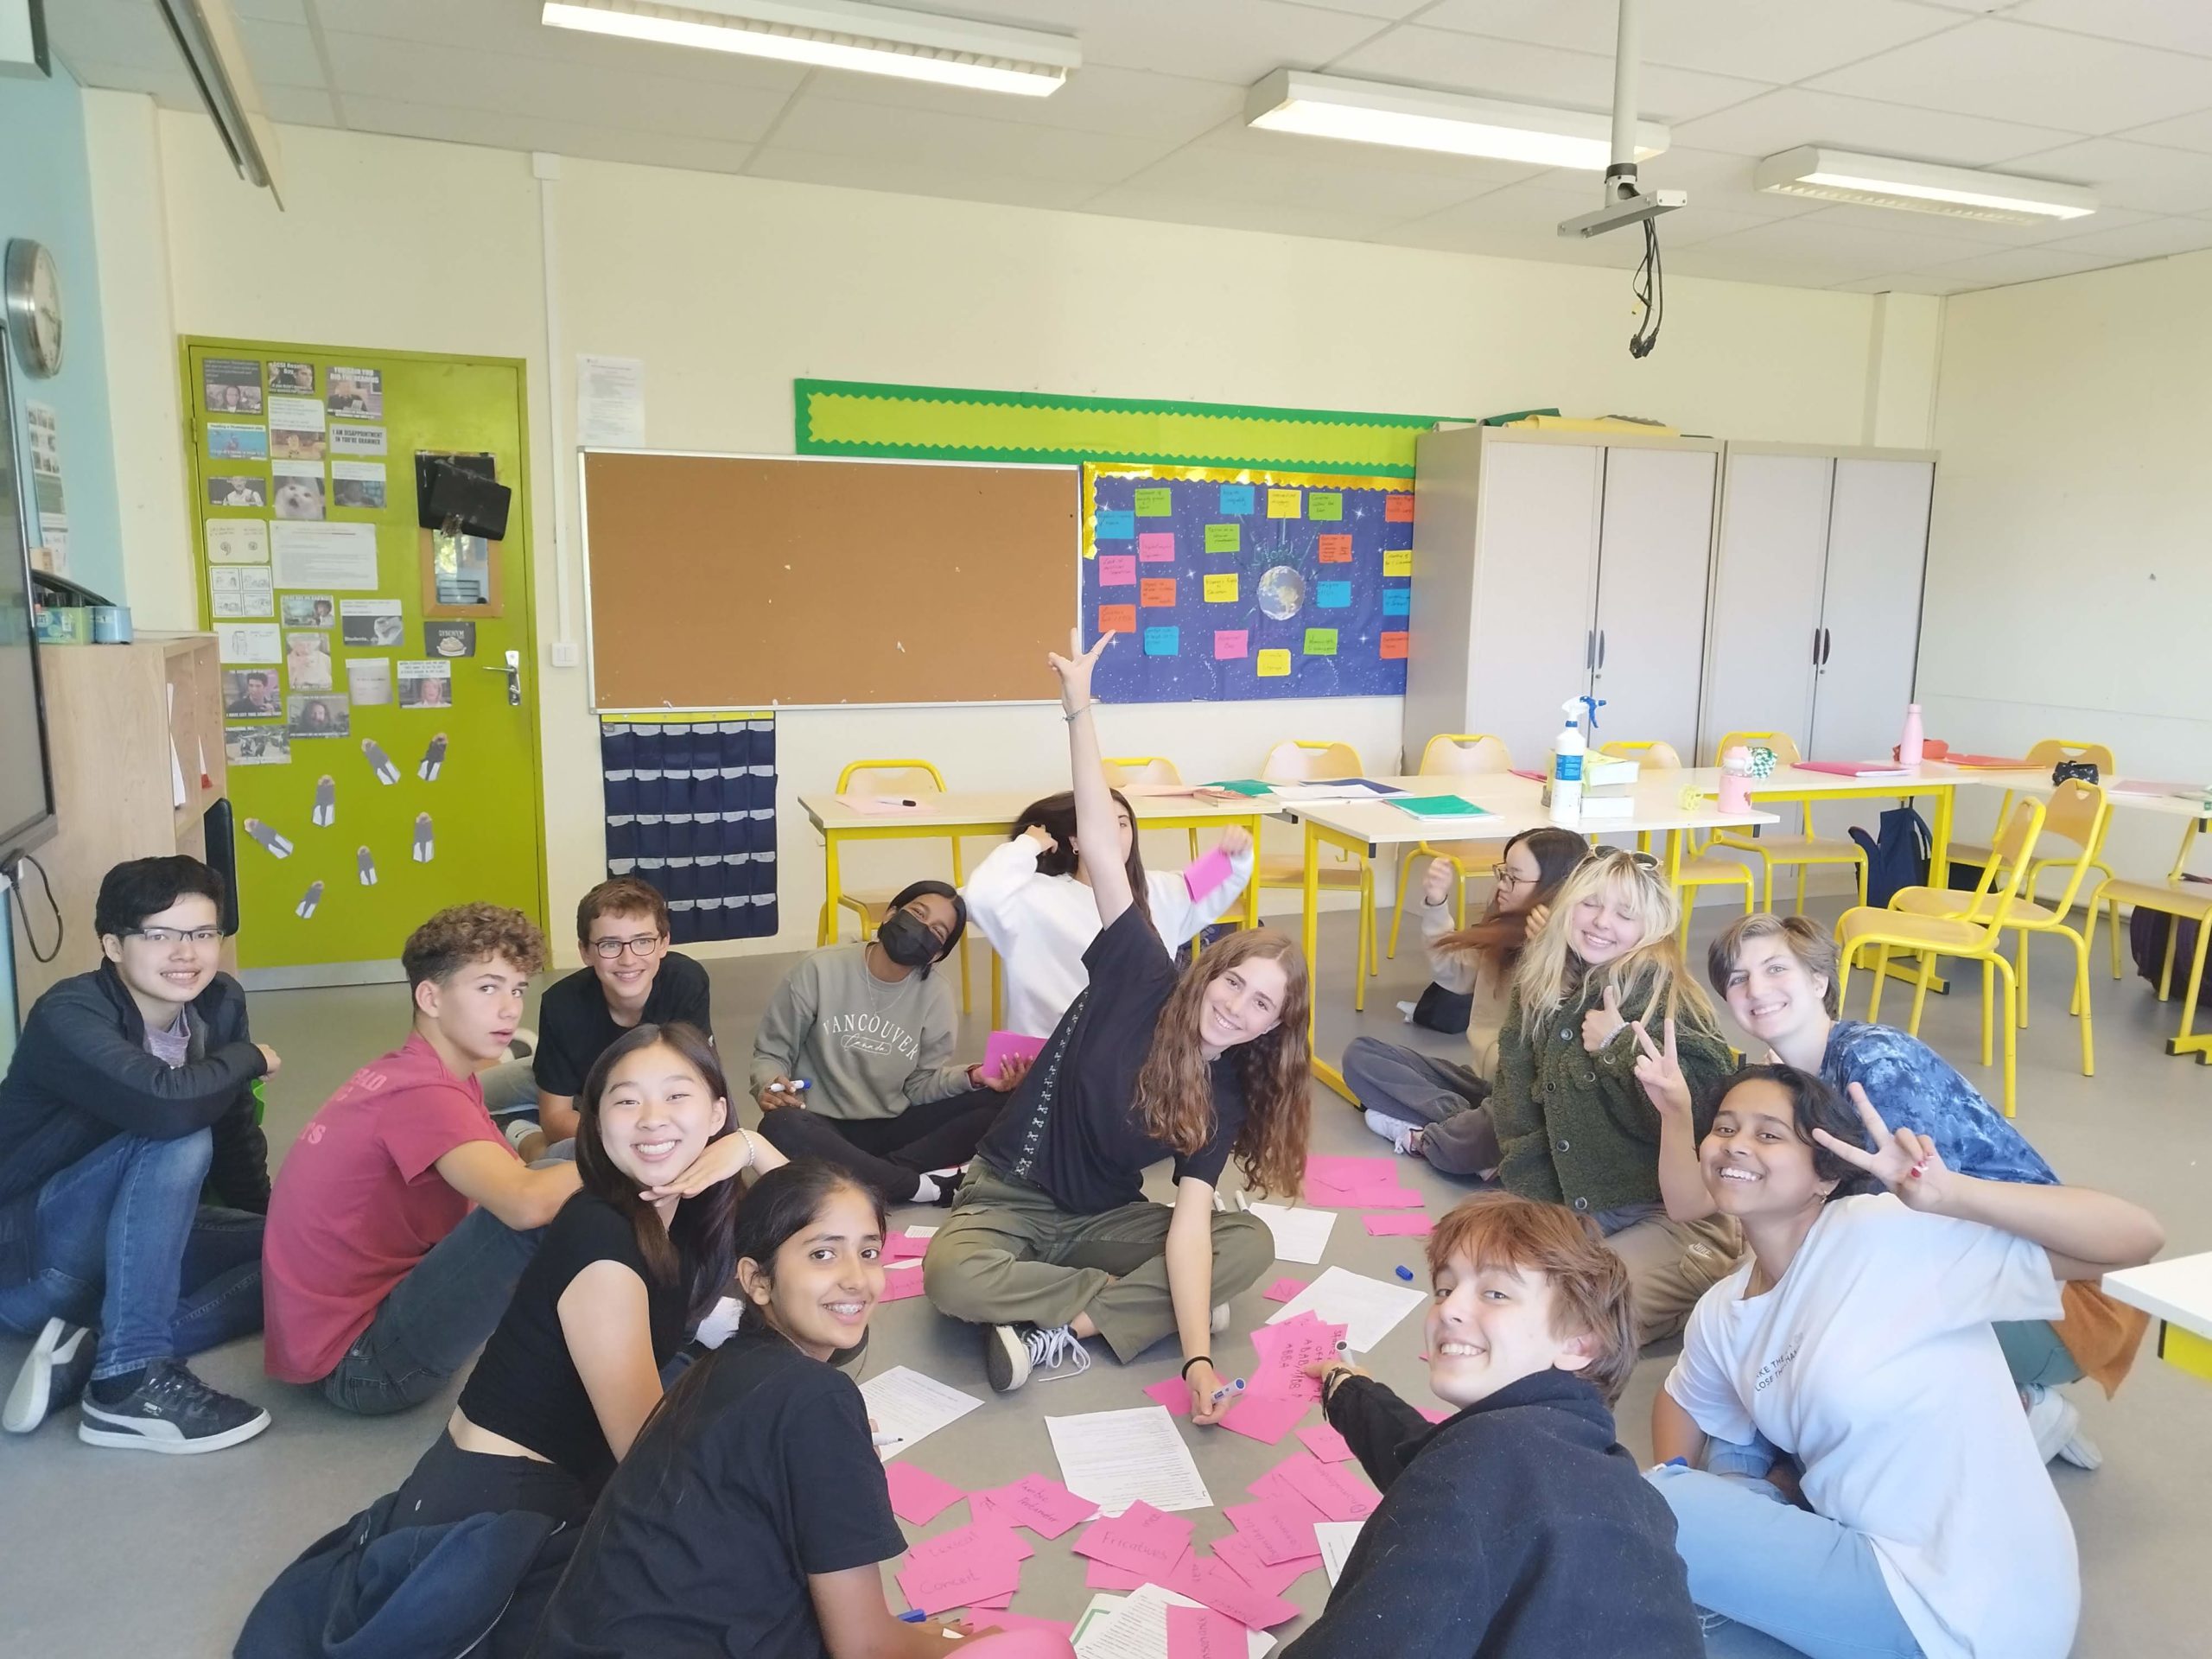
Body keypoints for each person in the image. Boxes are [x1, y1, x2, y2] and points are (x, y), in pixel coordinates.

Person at [1647, 1065, 2163, 1659]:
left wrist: (1953, 1195)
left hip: (1978, 1599)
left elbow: (2137, 1238)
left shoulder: (1889, 1234)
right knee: (1671, 1627)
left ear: (1823, 1175)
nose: (1735, 1144)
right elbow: (1682, 1399)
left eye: (1768, 1135)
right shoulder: (1721, 1310)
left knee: (1650, 1509)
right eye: (1724, 1127)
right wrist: (1719, 1524)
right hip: (1864, 1571)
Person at [923, 632, 1298, 1408]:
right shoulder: (1141, 975)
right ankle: (1136, 1302)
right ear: (1208, 972)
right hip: (1008, 1197)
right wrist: (1079, 710)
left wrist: (1197, 1363)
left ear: (1271, 1030)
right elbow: (1099, 839)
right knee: (949, 1275)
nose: (1237, 1009)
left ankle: (1068, 1323)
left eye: (1262, 1006)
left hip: (1105, 1216)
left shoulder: (1224, 1096)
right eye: (1235, 985)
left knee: (1247, 1241)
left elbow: (1192, 1224)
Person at [1698, 910, 2143, 1468]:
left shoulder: (1874, 1063)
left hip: (2055, 1290)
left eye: (1774, 968)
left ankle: (2019, 1407)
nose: (1756, 988)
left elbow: (1924, 1230)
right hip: (1984, 1271)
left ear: (1819, 981)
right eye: (1738, 978)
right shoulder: (1790, 1074)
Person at [528, 1160, 984, 1658]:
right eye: (823, 1254)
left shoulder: (714, 1368)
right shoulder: (817, 1398)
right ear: (757, 1280)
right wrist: (961, 1641)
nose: (857, 1279)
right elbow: (864, 1648)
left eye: (869, 1252)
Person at [371, 1023, 783, 1526]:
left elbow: (827, 1226)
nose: (653, 1120)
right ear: (597, 1120)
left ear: (717, 1112)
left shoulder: (682, 1212)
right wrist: (782, 1437)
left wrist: (752, 1146)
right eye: (627, 1102)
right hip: (494, 1514)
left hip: (561, 1476)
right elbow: (650, 1455)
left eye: (677, 1095)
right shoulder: (602, 1235)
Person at [1287, 1192, 1701, 1658]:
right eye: (1444, 1289)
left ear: (1580, 1344)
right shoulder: (1629, 1487)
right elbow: (1441, 1464)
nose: (1447, 1309)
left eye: (1496, 1293)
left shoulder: (1479, 1466)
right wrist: (1348, 1390)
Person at [262, 905, 584, 1415]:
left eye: (517, 989)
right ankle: (658, 1321)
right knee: (560, 1189)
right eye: (487, 988)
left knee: (569, 1163)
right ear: (430, 997)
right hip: (363, 1366)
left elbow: (522, 1179)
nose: (509, 1009)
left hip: (354, 1326)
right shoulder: (424, 1094)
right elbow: (524, 1205)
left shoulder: (429, 1073)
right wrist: (635, 1155)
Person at [0, 856, 273, 1452]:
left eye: (202, 934)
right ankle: (129, 1382)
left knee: (299, 1253)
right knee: (177, 1131)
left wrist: (265, 1218)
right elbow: (170, 1107)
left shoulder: (218, 1002)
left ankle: (94, 1353)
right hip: (30, 1258)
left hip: (131, 1239)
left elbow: (232, 1127)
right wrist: (248, 1057)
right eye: (160, 935)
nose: (186, 954)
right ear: (114, 945)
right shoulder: (69, 1013)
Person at [1487, 849, 1738, 1345]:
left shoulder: (1666, 998)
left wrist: (1618, 1046)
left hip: (1670, 1213)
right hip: (1581, 1208)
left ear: (1653, 927)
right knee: (1501, 1292)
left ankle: (1694, 1292)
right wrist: (1532, 1214)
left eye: (1626, 914)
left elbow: (1697, 1121)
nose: (1602, 923)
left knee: (1575, 1324)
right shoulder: (1541, 982)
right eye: (1590, 905)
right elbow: (1517, 1109)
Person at [750, 880, 1012, 1209]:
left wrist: (973, 1077)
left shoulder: (936, 995)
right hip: (820, 1123)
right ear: (890, 914)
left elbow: (919, 1085)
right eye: (917, 913)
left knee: (1004, 1102)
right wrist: (769, 1084)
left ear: (938, 954)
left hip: (891, 1126)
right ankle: (917, 1186)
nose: (921, 929)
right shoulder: (819, 969)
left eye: (937, 931)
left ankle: (862, 1176)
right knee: (779, 1126)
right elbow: (771, 1053)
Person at [1341, 827, 1588, 1170]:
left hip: (1527, 1098)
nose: (1501, 884)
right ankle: (1468, 1129)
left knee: (1486, 1131)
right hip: (1489, 1088)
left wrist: (1549, 953)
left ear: (1552, 886)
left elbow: (1557, 1048)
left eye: (1514, 878)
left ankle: (1440, 1136)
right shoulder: (1504, 931)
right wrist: (1436, 904)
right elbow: (1453, 975)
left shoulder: (1579, 952)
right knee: (1361, 1055)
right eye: (1502, 872)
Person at [964, 788, 1255, 1038]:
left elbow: (1216, 881)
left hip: (1135, 1055)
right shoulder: (1036, 896)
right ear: (1075, 841)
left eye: (1123, 823)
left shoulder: (1157, 890)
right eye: (1101, 823)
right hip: (1050, 1059)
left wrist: (1234, 854)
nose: (1114, 834)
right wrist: (1028, 844)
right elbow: (980, 896)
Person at [482, 877, 713, 1147]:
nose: (628, 959)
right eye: (609, 944)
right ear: (585, 952)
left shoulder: (686, 982)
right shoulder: (562, 1004)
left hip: (620, 1105)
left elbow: (703, 1093)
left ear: (664, 943)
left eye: (642, 941)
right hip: (570, 1082)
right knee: (466, 1093)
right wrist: (630, 1131)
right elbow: (556, 1118)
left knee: (559, 1154)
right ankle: (514, 1055)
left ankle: (521, 1133)